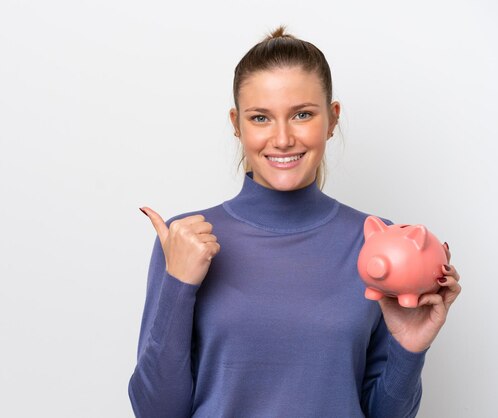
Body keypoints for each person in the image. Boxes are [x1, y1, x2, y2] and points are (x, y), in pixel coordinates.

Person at [128, 25, 461, 418]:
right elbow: (155, 412)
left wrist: (409, 348)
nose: (283, 138)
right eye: (260, 118)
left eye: (302, 114)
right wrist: (178, 286)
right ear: (237, 125)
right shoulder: (185, 239)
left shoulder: (379, 242)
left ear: (332, 119)